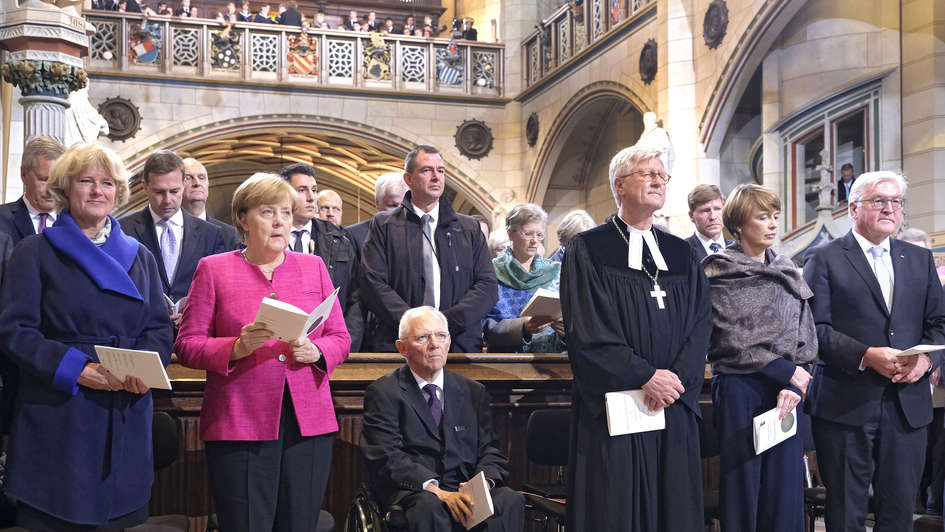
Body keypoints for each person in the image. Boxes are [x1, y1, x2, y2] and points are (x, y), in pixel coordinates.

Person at [0, 142, 173, 531]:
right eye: (87, 181)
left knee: (117, 516)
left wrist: (145, 368)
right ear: (65, 188)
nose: (98, 191)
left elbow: (158, 328)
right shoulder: (35, 251)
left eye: (107, 183)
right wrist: (75, 368)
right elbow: (14, 331)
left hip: (124, 403)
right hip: (61, 405)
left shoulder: (139, 255)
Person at [175, 173, 350, 532]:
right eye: (267, 212)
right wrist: (236, 347)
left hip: (307, 422)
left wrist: (315, 350)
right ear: (243, 218)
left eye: (285, 213)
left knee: (300, 523)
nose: (279, 222)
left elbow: (340, 337)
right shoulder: (214, 269)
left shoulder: (313, 267)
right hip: (240, 421)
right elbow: (187, 344)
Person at [561, 145, 711, 531]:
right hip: (619, 407)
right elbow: (587, 329)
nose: (659, 180)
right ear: (619, 185)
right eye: (649, 174)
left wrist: (674, 381)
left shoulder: (681, 252)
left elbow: (700, 324)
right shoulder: (589, 248)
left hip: (672, 405)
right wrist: (645, 375)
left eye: (663, 175)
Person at [803, 171, 945, 532]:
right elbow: (813, 330)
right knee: (846, 510)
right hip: (845, 403)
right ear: (853, 208)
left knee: (899, 509)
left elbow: (940, 323)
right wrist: (866, 354)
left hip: (907, 405)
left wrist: (927, 361)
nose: (889, 208)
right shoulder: (824, 258)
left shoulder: (919, 259)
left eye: (896, 201)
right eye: (879, 200)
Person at [704, 184, 817, 532]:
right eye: (763, 217)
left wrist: (796, 383)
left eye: (775, 217)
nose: (772, 224)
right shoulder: (718, 270)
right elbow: (731, 336)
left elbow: (806, 333)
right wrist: (787, 373)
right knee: (745, 488)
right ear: (739, 223)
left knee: (784, 491)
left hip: (787, 392)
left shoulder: (788, 269)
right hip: (742, 388)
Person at [360, 306, 525, 532]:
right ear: (402, 348)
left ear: (449, 342)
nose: (434, 344)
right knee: (428, 507)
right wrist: (437, 490)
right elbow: (385, 456)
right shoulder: (384, 392)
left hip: (464, 488)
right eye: (423, 337)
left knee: (508, 500)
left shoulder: (473, 392)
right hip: (416, 492)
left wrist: (481, 485)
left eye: (441, 336)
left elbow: (491, 450)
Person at [361, 145, 498, 353]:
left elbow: (487, 286)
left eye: (440, 171)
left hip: (458, 343)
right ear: (408, 179)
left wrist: (444, 325)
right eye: (427, 170)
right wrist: (414, 325)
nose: (436, 177)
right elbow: (373, 283)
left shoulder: (468, 228)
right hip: (400, 343)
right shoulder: (384, 225)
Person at [119, 150, 227, 325]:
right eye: (159, 192)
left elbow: (220, 293)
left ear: (184, 184)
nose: (168, 200)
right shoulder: (123, 230)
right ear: (145, 186)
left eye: (174, 191)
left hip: (194, 334)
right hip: (143, 333)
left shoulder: (211, 234)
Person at [279, 163, 363, 353]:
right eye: (302, 190)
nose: (311, 197)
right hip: (279, 346)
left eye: (314, 190)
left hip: (327, 346)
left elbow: (355, 298)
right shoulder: (269, 236)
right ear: (284, 194)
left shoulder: (339, 239)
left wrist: (341, 345)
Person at [901, 226, 945, 515]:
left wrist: (936, 362)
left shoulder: (937, 286)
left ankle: (931, 505)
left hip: (936, 386)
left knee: (937, 452)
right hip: (900, 382)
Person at [484, 203, 564, 353]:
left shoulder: (556, 272)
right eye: (528, 234)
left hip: (551, 362)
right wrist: (523, 327)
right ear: (510, 234)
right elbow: (484, 325)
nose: (535, 240)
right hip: (506, 364)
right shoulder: (490, 272)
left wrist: (567, 331)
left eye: (539, 234)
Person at [0, 136, 64, 245]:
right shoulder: (2, 220)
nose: (51, 190)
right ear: (23, 174)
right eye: (43, 179)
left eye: (57, 180)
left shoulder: (75, 222)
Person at [181, 157, 240, 251]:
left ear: (208, 184)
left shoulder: (230, 235)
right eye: (188, 178)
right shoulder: (167, 231)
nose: (197, 183)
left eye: (201, 178)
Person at [345, 171, 408, 250]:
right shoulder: (354, 235)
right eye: (393, 205)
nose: (400, 211)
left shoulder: (420, 233)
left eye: (405, 206)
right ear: (377, 202)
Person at [686, 184, 732, 261]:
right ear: (691, 216)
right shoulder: (683, 250)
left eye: (717, 209)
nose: (713, 217)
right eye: (705, 210)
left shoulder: (740, 250)